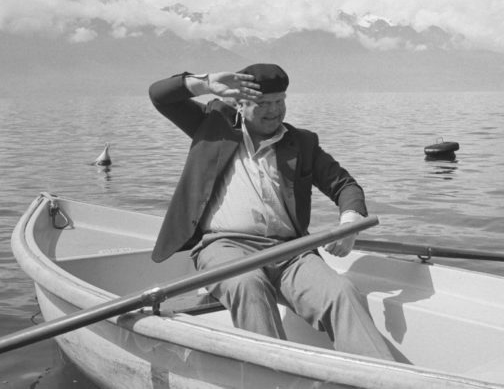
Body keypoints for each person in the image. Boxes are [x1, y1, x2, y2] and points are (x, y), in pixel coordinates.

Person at [149, 63, 399, 361]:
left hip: (290, 251)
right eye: (263, 103)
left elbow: (344, 185)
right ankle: (274, 379)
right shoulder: (211, 124)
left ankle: (379, 380)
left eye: (279, 101)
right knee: (248, 285)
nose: (274, 110)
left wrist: (351, 221)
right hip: (224, 246)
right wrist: (205, 84)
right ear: (238, 103)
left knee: (341, 291)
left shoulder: (303, 143)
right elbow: (160, 96)